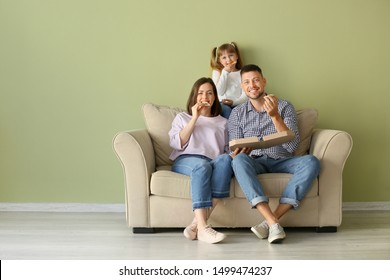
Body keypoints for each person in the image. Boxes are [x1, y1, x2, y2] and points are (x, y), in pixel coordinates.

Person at [228, 64, 320, 243]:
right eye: (246, 82)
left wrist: (275, 116)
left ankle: (269, 222)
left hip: (282, 159)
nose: (252, 85)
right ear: (242, 86)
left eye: (255, 80)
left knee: (312, 162)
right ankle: (272, 222)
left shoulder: (284, 106)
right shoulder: (237, 113)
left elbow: (292, 146)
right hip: (255, 161)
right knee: (238, 160)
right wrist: (240, 152)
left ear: (263, 81)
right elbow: (234, 150)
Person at [169, 77, 233, 244]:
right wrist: (194, 118)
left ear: (215, 97)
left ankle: (196, 224)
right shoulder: (183, 117)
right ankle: (204, 228)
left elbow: (227, 149)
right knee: (202, 167)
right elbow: (177, 143)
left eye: (210, 93)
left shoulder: (224, 122)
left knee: (226, 160)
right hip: (187, 159)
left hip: (213, 162)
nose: (205, 97)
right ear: (194, 97)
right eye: (201, 93)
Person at [210, 42, 247, 119]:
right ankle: (231, 130)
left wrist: (233, 102)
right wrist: (225, 73)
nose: (228, 60)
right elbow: (219, 92)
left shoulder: (243, 73)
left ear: (236, 56)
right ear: (220, 61)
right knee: (226, 110)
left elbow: (245, 95)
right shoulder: (217, 72)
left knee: (243, 111)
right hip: (221, 104)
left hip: (238, 103)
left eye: (231, 55)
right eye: (224, 57)